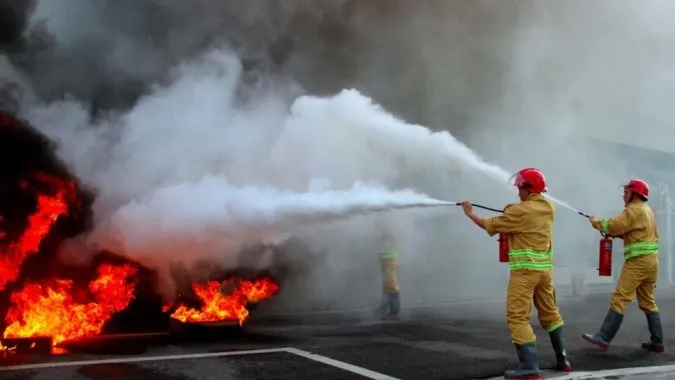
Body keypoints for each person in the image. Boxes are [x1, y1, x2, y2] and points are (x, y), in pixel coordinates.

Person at [461, 167, 571, 379]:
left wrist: (470, 213)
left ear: (528, 189)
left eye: (520, 189)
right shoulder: (548, 206)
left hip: (524, 272)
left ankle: (530, 366)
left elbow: (488, 225)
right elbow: (524, 210)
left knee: (517, 317)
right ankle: (563, 360)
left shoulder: (519, 212)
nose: (518, 193)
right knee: (550, 314)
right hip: (544, 272)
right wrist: (512, 208)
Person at [582, 179, 664, 353]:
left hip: (637, 263)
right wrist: (617, 235)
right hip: (652, 262)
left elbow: (614, 225)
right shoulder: (647, 210)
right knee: (648, 301)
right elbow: (635, 232)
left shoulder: (632, 210)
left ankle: (603, 337)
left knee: (620, 298)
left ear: (635, 194)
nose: (623, 195)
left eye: (626, 192)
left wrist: (596, 222)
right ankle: (658, 342)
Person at [378, 228, 401, 321]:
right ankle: (385, 310)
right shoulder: (386, 233)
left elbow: (387, 248)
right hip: (387, 261)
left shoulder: (387, 234)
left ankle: (394, 312)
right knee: (387, 285)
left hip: (389, 261)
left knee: (391, 286)